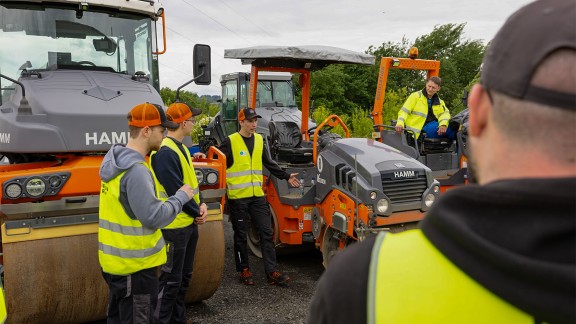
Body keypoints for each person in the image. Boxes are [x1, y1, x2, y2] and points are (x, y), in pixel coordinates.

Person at [307, 0, 575, 323]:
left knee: (446, 128)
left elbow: (446, 115)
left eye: (435, 84)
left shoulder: (359, 286)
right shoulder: (415, 98)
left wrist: (447, 122)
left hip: (433, 137)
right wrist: (404, 123)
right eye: (431, 83)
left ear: (477, 113)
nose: (432, 86)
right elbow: (405, 114)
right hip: (415, 136)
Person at [98, 102, 196, 324]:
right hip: (136, 269)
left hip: (116, 265)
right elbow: (154, 217)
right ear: (146, 131)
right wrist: (180, 197)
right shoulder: (136, 171)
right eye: (162, 131)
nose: (164, 136)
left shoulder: (115, 163)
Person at [218, 107, 300, 286]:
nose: (254, 124)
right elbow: (217, 160)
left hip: (257, 196)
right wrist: (203, 156)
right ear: (241, 122)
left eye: (255, 121)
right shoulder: (230, 141)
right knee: (240, 235)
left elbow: (268, 163)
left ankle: (272, 272)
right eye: (250, 121)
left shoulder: (258, 140)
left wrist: (286, 176)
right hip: (238, 198)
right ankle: (244, 269)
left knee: (267, 232)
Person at [150, 102, 207, 324]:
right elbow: (176, 190)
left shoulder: (181, 148)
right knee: (170, 281)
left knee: (183, 278)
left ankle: (178, 318)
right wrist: (197, 211)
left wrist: (200, 204)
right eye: (192, 120)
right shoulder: (165, 153)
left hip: (187, 223)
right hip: (174, 228)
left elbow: (192, 184)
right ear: (183, 123)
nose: (193, 123)